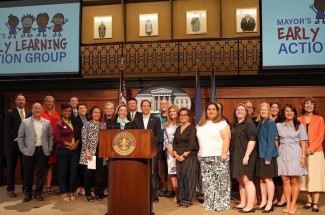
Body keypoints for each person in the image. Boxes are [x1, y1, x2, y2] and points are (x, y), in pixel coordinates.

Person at [196, 102, 231, 211]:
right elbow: (200, 140)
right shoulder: (200, 125)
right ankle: (209, 203)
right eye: (208, 109)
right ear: (205, 111)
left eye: (213, 109)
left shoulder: (222, 124)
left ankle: (222, 204)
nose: (210, 111)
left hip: (219, 156)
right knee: (208, 182)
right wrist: (199, 152)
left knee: (221, 181)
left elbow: (226, 139)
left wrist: (224, 153)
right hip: (204, 157)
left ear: (217, 112)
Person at [17, 103, 53, 202]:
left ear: (42, 110)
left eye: (39, 108)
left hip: (43, 151)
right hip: (29, 151)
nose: (37, 110)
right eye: (35, 108)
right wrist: (23, 149)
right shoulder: (25, 122)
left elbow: (50, 137)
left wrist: (49, 149)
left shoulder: (47, 122)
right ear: (32, 110)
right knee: (28, 173)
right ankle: (28, 194)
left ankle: (38, 193)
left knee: (41, 174)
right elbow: (20, 137)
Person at [276, 104, 308, 214]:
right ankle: (288, 203)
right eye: (287, 111)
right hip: (282, 153)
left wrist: (303, 156)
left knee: (294, 180)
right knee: (285, 180)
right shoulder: (279, 125)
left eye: (291, 111)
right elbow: (276, 140)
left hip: (295, 153)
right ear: (283, 113)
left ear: (294, 112)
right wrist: (277, 152)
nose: (289, 113)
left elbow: (303, 141)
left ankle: (293, 204)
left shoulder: (300, 125)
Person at [298, 97, 325, 213]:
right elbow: (297, 135)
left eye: (311, 104)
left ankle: (315, 202)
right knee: (305, 177)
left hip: (316, 152)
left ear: (314, 106)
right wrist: (304, 149)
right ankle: (309, 200)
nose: (309, 105)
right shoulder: (299, 119)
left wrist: (311, 149)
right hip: (302, 152)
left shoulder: (319, 119)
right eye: (307, 104)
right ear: (303, 106)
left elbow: (321, 136)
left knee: (316, 176)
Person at [230, 103, 257, 213]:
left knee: (247, 180)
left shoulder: (249, 123)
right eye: (238, 110)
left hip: (246, 156)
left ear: (246, 112)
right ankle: (243, 202)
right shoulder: (236, 124)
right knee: (240, 180)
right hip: (236, 155)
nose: (239, 111)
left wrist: (246, 156)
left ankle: (250, 205)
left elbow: (252, 140)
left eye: (242, 110)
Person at [133, 100, 161, 203]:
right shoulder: (136, 120)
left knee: (153, 172)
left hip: (152, 150)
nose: (146, 108)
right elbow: (135, 135)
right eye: (144, 106)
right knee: (141, 171)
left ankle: (154, 195)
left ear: (150, 107)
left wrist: (151, 144)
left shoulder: (156, 119)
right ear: (141, 108)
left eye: (147, 106)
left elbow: (158, 134)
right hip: (140, 151)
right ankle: (142, 193)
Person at [4, 93, 32, 198]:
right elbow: (8, 128)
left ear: (25, 102)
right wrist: (18, 139)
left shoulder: (29, 113)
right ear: (16, 101)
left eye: (23, 100)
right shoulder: (10, 112)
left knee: (25, 167)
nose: (21, 101)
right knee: (11, 167)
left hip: (26, 145)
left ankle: (25, 188)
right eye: (19, 99)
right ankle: (10, 189)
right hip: (13, 145)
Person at [54, 104, 81, 201]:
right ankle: (63, 192)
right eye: (65, 111)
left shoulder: (74, 122)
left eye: (69, 111)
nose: (67, 113)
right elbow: (58, 138)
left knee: (73, 172)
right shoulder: (59, 123)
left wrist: (75, 145)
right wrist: (70, 145)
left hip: (75, 150)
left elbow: (78, 136)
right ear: (62, 112)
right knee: (63, 172)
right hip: (63, 150)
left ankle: (71, 191)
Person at [173, 108, 199, 208]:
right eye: (181, 115)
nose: (183, 117)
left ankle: (189, 199)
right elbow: (174, 142)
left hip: (188, 156)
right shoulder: (178, 128)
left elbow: (192, 143)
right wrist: (176, 154)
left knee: (189, 178)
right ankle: (182, 198)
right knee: (181, 178)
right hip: (178, 156)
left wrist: (183, 155)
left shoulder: (192, 128)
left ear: (189, 117)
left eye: (185, 115)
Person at [79, 106, 107, 202]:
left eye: (99, 113)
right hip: (91, 153)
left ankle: (98, 193)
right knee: (89, 175)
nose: (97, 114)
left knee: (99, 175)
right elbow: (84, 139)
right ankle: (88, 194)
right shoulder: (87, 124)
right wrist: (87, 152)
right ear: (91, 114)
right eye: (95, 112)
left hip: (101, 153)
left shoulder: (103, 125)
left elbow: (105, 140)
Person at [255, 103, 278, 213]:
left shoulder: (271, 123)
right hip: (260, 155)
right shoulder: (261, 123)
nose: (263, 111)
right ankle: (263, 201)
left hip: (267, 156)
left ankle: (270, 203)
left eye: (265, 109)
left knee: (268, 179)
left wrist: (268, 157)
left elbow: (271, 142)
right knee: (262, 179)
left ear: (268, 111)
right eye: (261, 109)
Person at [41, 95, 60, 195]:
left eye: (51, 102)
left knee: (50, 166)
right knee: (42, 166)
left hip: (53, 142)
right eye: (48, 102)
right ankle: (40, 186)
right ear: (45, 102)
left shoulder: (56, 114)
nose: (50, 103)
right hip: (43, 143)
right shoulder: (41, 113)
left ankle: (48, 187)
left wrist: (54, 140)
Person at [269, 102, 286, 207]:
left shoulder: (282, 121)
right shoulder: (267, 120)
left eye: (276, 107)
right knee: (272, 176)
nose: (274, 109)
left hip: (280, 150)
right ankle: (276, 197)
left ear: (279, 109)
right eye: (272, 107)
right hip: (268, 150)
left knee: (280, 176)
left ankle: (282, 198)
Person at [163, 105, 179, 203]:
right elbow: (165, 138)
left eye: (174, 111)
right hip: (170, 151)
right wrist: (170, 149)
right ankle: (176, 194)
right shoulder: (166, 125)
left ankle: (183, 193)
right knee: (173, 173)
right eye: (170, 112)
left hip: (181, 150)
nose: (172, 113)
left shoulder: (182, 124)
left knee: (181, 173)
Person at [156, 99, 170, 198]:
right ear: (160, 105)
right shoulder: (156, 117)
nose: (164, 105)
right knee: (161, 167)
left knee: (170, 166)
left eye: (165, 104)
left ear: (168, 105)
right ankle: (163, 188)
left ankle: (170, 188)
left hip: (170, 145)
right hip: (159, 144)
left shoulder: (172, 116)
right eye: (162, 104)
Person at [75, 103, 88, 196]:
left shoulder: (87, 119)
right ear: (78, 110)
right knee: (79, 167)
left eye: (84, 108)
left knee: (84, 168)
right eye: (81, 108)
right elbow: (76, 134)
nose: (83, 109)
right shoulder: (76, 120)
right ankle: (79, 187)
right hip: (79, 146)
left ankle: (83, 186)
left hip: (86, 147)